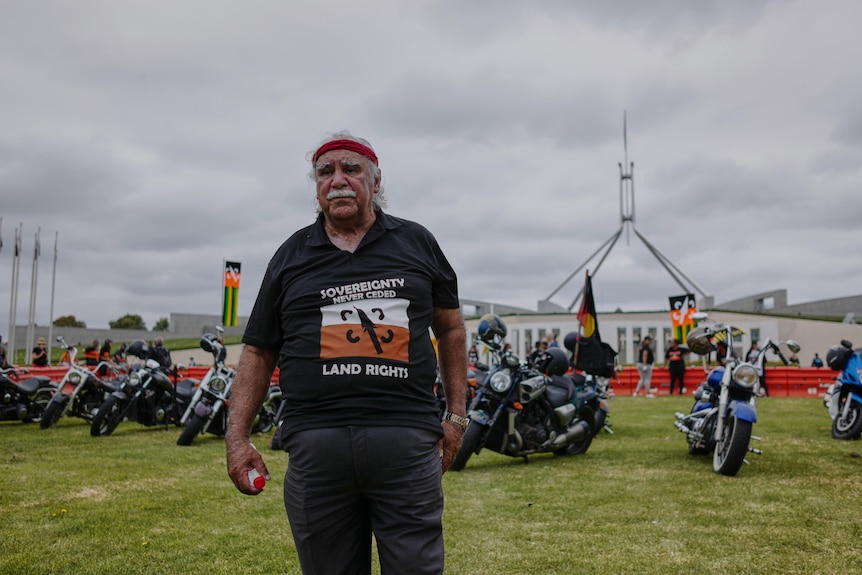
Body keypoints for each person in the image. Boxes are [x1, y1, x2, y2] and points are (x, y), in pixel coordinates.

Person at [224, 132, 467, 575]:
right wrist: (236, 438)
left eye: (351, 169)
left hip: (406, 444)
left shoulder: (417, 243)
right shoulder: (290, 255)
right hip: (317, 449)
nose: (337, 180)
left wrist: (456, 416)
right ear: (316, 185)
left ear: (376, 181)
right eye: (325, 172)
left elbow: (450, 329)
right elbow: (258, 351)